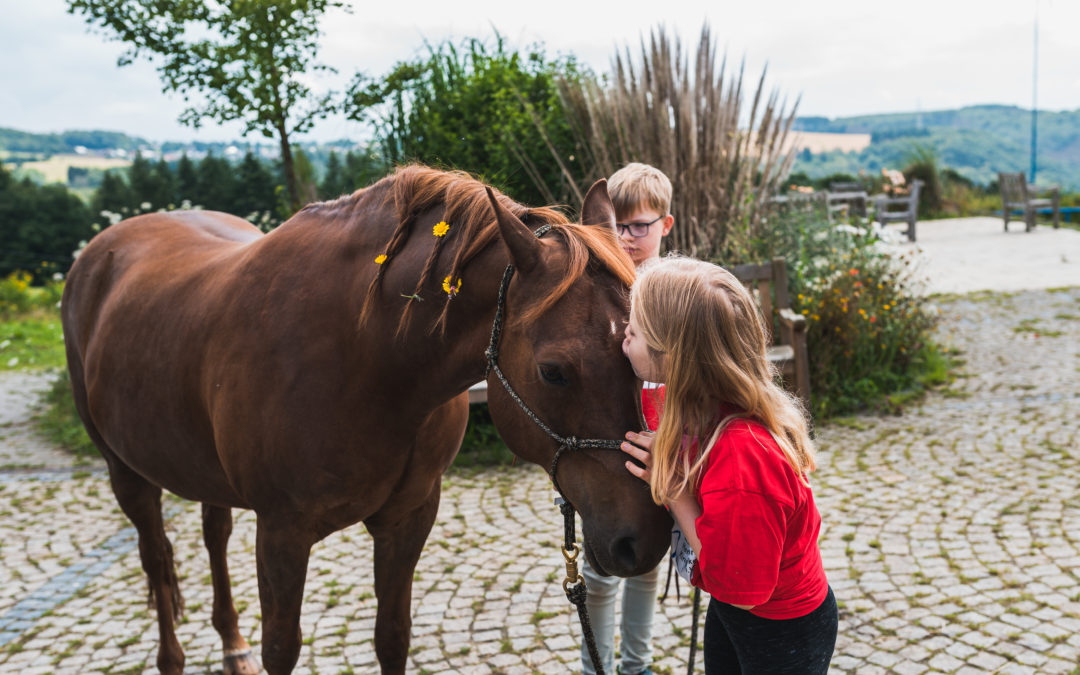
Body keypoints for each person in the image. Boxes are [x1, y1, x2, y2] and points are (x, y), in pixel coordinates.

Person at [619, 256, 838, 674]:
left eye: (635, 330)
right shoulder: (699, 400)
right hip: (740, 612)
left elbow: (743, 591)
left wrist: (675, 491)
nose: (623, 335)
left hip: (780, 629)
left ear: (675, 359)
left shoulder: (743, 459)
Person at [578, 162, 673, 675]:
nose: (628, 238)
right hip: (603, 449)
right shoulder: (591, 288)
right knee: (596, 572)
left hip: (660, 445)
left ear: (665, 225)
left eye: (639, 225)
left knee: (645, 568)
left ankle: (636, 666)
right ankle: (597, 667)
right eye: (617, 226)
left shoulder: (675, 287)